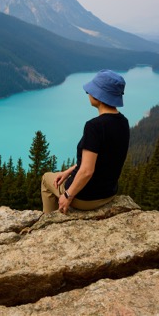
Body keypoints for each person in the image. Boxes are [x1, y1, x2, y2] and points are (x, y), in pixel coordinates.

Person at [41, 69, 130, 213]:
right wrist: (68, 172)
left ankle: (48, 221)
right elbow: (102, 158)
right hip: (108, 194)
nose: (89, 93)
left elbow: (87, 171)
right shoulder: (123, 123)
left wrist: (68, 195)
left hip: (85, 198)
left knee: (46, 179)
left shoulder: (94, 126)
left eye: (92, 90)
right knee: (60, 176)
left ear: (100, 96)